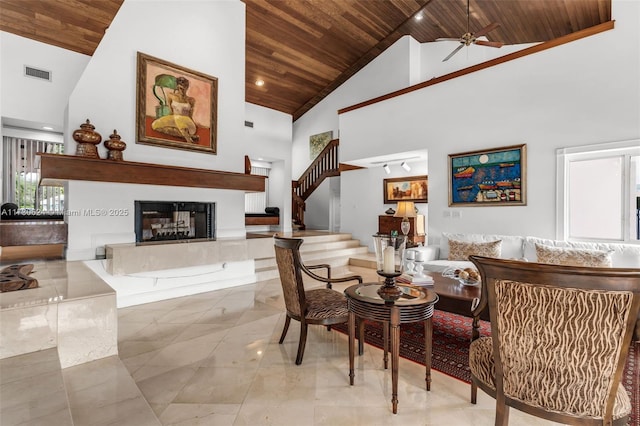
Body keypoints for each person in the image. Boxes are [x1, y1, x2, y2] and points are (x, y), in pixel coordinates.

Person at [151, 76, 199, 143]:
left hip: (187, 122)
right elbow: (171, 112)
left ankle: (189, 140)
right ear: (177, 87)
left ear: (187, 88)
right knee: (155, 125)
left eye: (183, 88)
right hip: (175, 119)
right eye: (180, 88)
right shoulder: (171, 96)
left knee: (179, 119)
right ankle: (187, 135)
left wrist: (190, 124)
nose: (181, 90)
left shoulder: (191, 100)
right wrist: (170, 122)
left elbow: (190, 116)